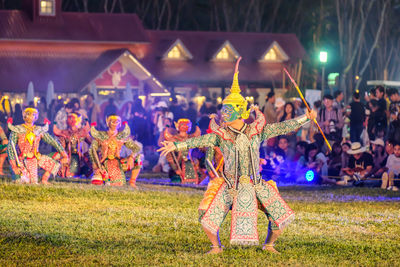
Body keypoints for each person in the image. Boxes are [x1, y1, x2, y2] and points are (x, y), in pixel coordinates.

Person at [158, 58, 316, 254]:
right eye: (223, 109)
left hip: (255, 184)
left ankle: (269, 245)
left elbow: (282, 127)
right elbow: (199, 141)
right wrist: (176, 144)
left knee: (278, 217)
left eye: (227, 110)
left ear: (239, 111)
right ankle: (216, 246)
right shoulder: (221, 136)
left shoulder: (257, 131)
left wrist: (305, 118)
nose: (223, 114)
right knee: (206, 214)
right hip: (230, 186)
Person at [7, 108, 68, 184]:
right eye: (28, 113)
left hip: (36, 159)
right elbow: (10, 148)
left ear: (37, 116)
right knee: (23, 181)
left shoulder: (38, 130)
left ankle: (44, 179)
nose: (30, 116)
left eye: (33, 114)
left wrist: (64, 155)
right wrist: (14, 166)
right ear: (23, 115)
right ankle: (21, 175)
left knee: (59, 156)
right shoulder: (18, 130)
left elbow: (53, 142)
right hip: (21, 160)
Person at [89, 114, 141, 187]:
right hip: (103, 163)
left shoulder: (121, 136)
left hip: (118, 162)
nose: (116, 123)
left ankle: (132, 182)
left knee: (137, 159)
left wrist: (131, 157)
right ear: (108, 122)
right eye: (113, 121)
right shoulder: (101, 135)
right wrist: (95, 165)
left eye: (118, 121)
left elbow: (137, 148)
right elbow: (91, 150)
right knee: (97, 182)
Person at [161, 118, 201, 183]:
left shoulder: (191, 138)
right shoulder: (174, 139)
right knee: (176, 179)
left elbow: (196, 151)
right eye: (182, 124)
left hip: (190, 161)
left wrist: (196, 163)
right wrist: (175, 169)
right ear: (178, 126)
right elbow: (170, 156)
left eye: (187, 124)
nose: (185, 126)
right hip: (178, 163)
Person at [53, 113, 92, 178]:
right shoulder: (64, 133)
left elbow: (93, 144)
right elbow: (61, 148)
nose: (71, 120)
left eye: (73, 118)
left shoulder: (82, 132)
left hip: (78, 157)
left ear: (79, 120)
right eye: (69, 118)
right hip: (67, 157)